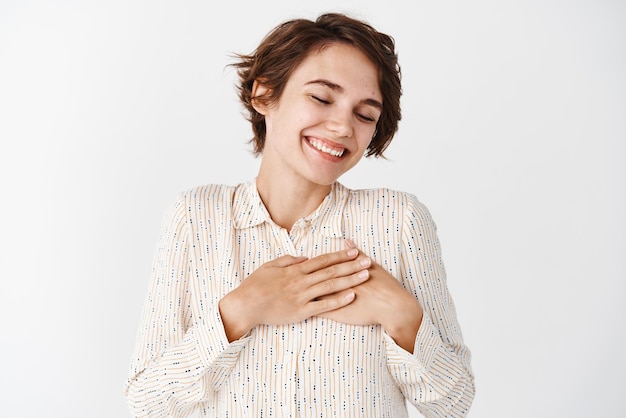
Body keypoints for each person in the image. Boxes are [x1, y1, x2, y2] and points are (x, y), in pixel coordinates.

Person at [124, 12, 475, 417]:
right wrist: (239, 311)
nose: (343, 126)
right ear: (263, 95)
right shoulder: (195, 217)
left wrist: (402, 316)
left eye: (365, 114)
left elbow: (454, 403)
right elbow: (147, 403)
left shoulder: (399, 221)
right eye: (322, 98)